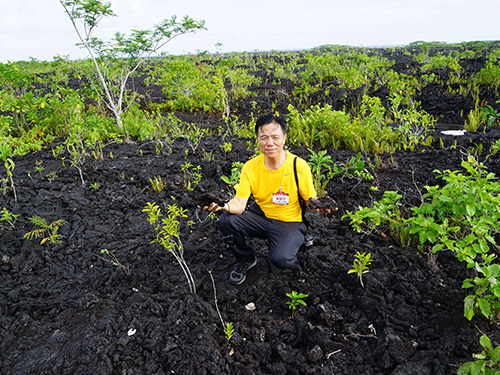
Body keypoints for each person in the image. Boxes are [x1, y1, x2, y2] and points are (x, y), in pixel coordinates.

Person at [204, 114, 331, 285]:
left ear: (284, 138)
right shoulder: (250, 167)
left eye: (275, 137)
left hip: (289, 222)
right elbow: (240, 203)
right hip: (261, 217)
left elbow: (310, 200)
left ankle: (298, 238)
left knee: (281, 260)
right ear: (257, 140)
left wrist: (319, 207)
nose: (270, 142)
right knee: (226, 221)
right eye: (264, 137)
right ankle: (246, 259)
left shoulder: (298, 166)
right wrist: (223, 206)